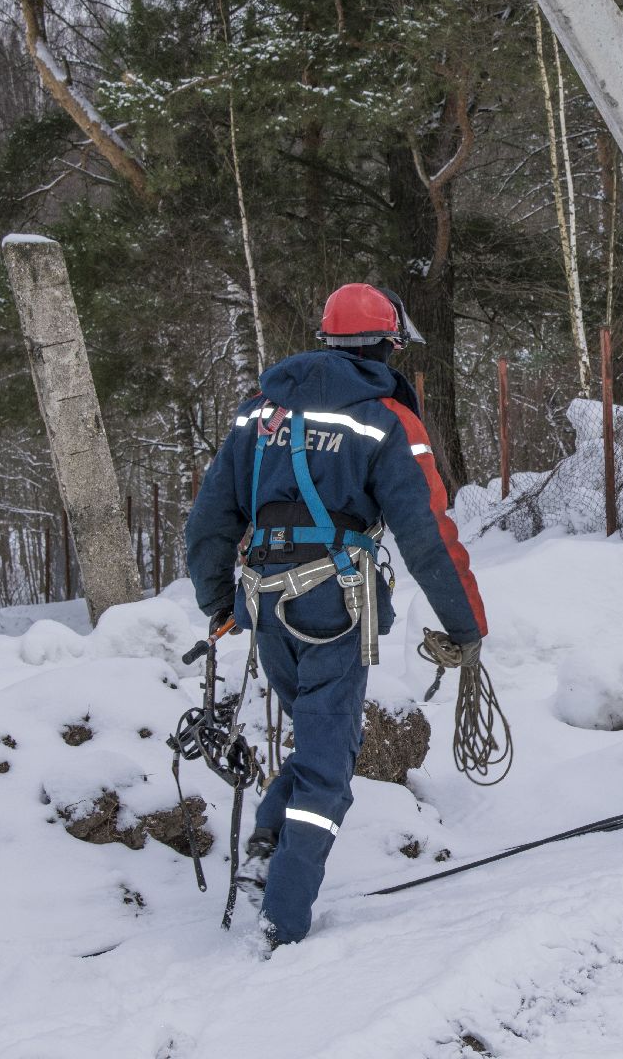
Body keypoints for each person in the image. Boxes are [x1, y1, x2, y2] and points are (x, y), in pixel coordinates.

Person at [184, 282, 487, 947]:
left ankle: (267, 841)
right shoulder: (384, 419)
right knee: (329, 762)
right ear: (385, 345)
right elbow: (427, 534)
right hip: (333, 604)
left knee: (318, 740)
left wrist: (217, 601)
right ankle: (283, 915)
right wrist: (465, 625)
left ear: (326, 338)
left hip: (264, 604)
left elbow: (210, 517)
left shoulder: (258, 411)